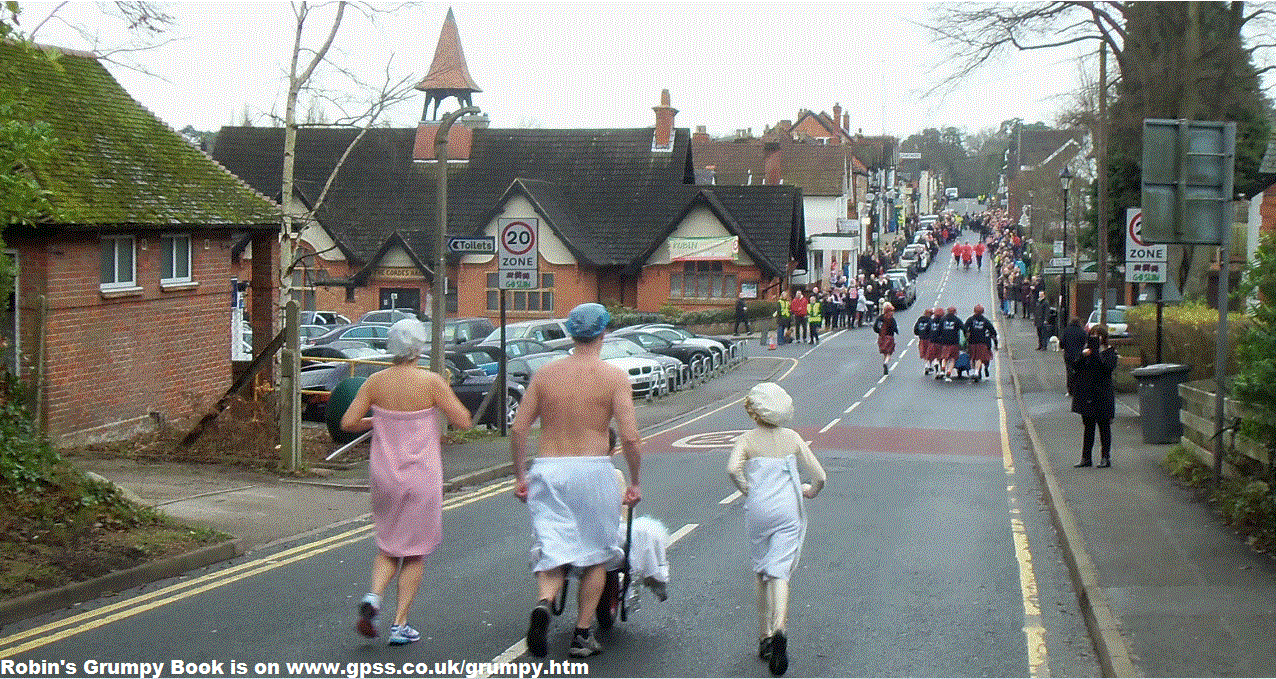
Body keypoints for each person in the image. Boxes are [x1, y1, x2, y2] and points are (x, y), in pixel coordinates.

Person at [513, 303, 642, 658]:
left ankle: (544, 602)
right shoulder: (614, 377)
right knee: (596, 557)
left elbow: (519, 427)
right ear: (604, 334)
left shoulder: (545, 374)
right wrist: (634, 481)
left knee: (553, 550)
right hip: (592, 468)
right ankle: (582, 633)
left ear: (571, 334)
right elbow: (629, 437)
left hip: (549, 467)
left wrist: (520, 476)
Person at [342, 319, 473, 645]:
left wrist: (381, 418)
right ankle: (400, 625)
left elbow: (348, 422)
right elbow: (463, 421)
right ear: (419, 346)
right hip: (421, 477)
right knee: (415, 553)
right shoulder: (431, 382)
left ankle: (373, 597)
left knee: (388, 545)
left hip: (384, 476)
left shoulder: (374, 381)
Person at [726, 382, 826, 676]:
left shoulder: (746, 440)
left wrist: (748, 489)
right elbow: (819, 476)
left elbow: (732, 469)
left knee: (761, 571)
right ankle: (781, 627)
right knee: (780, 571)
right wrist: (810, 490)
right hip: (788, 510)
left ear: (754, 412)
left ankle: (764, 635)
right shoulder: (792, 438)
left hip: (758, 510)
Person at [1069, 324, 1118, 469]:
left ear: (1104, 337)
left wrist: (1096, 354)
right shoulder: (1087, 352)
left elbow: (1107, 368)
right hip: (1088, 395)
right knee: (1088, 427)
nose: (1096, 338)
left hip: (1103, 395)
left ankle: (1105, 457)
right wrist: (1082, 356)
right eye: (1093, 335)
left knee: (1104, 427)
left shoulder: (1110, 353)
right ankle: (1086, 457)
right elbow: (1075, 367)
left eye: (1098, 335)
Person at [963, 304, 998, 383]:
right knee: (979, 358)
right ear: (982, 312)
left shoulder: (970, 319)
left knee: (973, 358)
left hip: (972, 342)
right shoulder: (985, 320)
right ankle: (976, 372)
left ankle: (976, 372)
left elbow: (965, 328)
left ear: (974, 311)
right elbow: (992, 330)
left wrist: (966, 336)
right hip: (982, 342)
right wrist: (995, 340)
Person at [1060, 317, 1087, 396]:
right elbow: (1085, 342)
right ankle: (1078, 389)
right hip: (1079, 355)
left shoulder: (1066, 331)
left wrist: (1064, 347)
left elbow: (1062, 343)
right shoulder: (1082, 331)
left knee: (1069, 372)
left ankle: (1070, 390)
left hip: (1068, 355)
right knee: (1079, 372)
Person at [935, 306, 963, 381]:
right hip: (954, 342)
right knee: (953, 358)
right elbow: (963, 328)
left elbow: (939, 330)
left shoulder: (943, 319)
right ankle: (949, 372)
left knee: (944, 357)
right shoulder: (957, 320)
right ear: (954, 312)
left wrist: (939, 339)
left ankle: (943, 368)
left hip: (944, 342)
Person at [873, 302, 897, 376]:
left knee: (884, 352)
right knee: (889, 352)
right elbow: (894, 327)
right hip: (889, 337)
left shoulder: (880, 318)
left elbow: (875, 327)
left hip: (881, 337)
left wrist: (879, 332)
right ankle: (886, 362)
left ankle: (885, 364)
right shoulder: (892, 319)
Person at [913, 307, 933, 375]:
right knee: (930, 353)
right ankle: (928, 365)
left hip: (922, 339)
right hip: (929, 339)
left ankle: (928, 365)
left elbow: (915, 329)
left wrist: (919, 334)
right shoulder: (930, 320)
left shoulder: (920, 320)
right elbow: (931, 329)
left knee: (924, 353)